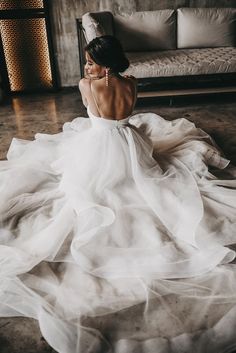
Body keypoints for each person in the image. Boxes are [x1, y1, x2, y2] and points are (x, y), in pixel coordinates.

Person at [0, 35, 236, 353]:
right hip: (131, 143)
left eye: (91, 62)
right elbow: (124, 114)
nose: (87, 66)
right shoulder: (133, 83)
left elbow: (92, 114)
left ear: (105, 64)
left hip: (100, 145)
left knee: (79, 183)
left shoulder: (87, 85)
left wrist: (95, 89)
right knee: (142, 179)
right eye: (87, 61)